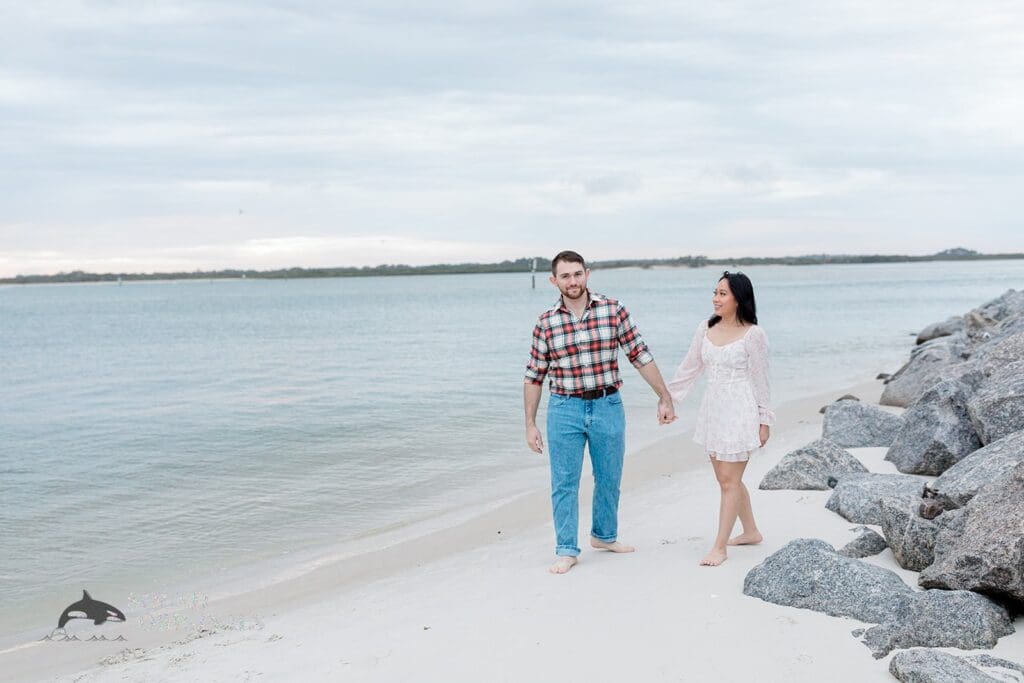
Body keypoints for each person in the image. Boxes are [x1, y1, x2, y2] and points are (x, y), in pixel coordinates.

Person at [524, 250, 676, 574]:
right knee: (564, 481)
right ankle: (566, 549)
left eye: (577, 274)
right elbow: (534, 375)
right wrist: (529, 424)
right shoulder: (545, 323)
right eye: (565, 276)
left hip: (608, 404)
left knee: (609, 477)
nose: (573, 281)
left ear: (587, 274)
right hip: (564, 408)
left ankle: (604, 536)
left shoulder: (612, 309)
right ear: (554, 281)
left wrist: (665, 396)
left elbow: (640, 354)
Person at [668, 271, 773, 567]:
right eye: (714, 292)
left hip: (741, 410)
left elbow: (761, 380)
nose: (715, 298)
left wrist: (764, 420)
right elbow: (690, 368)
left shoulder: (754, 334)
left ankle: (719, 547)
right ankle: (751, 531)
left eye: (723, 293)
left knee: (729, 481)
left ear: (738, 298)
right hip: (713, 410)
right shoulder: (705, 328)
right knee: (725, 479)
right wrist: (669, 400)